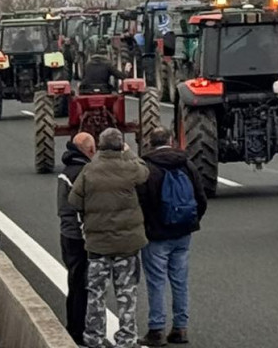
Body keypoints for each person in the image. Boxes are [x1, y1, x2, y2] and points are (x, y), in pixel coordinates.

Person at [68, 127, 150, 348]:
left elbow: (74, 201)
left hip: (98, 246)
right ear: (120, 145)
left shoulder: (89, 170)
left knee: (96, 293)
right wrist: (129, 152)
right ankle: (126, 338)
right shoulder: (130, 167)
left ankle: (94, 337)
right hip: (127, 245)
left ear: (100, 146)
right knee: (127, 294)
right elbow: (145, 172)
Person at [136, 128, 208, 346]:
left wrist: (147, 226)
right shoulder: (187, 164)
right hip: (183, 233)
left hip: (156, 234)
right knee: (180, 281)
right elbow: (200, 198)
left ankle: (156, 330)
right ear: (171, 141)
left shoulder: (146, 167)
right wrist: (190, 222)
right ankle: (180, 328)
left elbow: (141, 202)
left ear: (149, 143)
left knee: (156, 282)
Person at [57, 133, 97, 345]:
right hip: (78, 236)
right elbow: (81, 208)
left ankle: (74, 326)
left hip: (67, 233)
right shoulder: (82, 173)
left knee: (75, 281)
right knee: (82, 284)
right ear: (89, 151)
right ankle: (77, 330)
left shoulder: (67, 170)